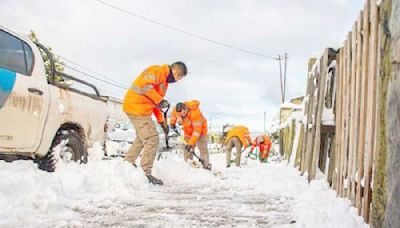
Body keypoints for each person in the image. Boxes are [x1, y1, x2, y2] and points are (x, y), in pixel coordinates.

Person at [122, 62, 187, 185]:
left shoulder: (164, 83)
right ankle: (145, 173)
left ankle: (127, 165)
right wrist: (159, 100)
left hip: (140, 108)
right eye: (180, 78)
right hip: (136, 106)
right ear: (176, 72)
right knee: (152, 138)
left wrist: (163, 123)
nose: (178, 81)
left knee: (141, 139)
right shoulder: (157, 71)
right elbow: (146, 86)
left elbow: (156, 104)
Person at [169, 100, 211, 170]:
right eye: (181, 114)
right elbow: (174, 114)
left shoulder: (195, 113)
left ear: (186, 108)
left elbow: (197, 132)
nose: (183, 115)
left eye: (184, 113)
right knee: (186, 148)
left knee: (202, 147)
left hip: (201, 131)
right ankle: (188, 164)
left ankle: (206, 165)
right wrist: (172, 122)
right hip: (188, 130)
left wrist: (190, 144)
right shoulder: (177, 109)